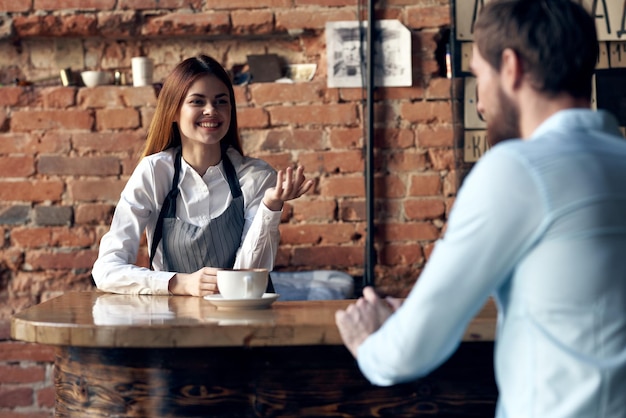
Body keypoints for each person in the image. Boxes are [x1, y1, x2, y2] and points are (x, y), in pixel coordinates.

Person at [335, 1, 626, 417]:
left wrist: (369, 341)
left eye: (477, 76)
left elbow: (406, 354)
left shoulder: (519, 169)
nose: (480, 103)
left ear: (511, 67)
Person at [92, 55, 314, 296]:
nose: (211, 110)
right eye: (197, 101)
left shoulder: (256, 177)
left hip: (244, 322)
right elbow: (106, 270)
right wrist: (179, 283)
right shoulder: (155, 173)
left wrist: (271, 206)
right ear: (173, 112)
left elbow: (248, 279)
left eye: (221, 102)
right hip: (174, 323)